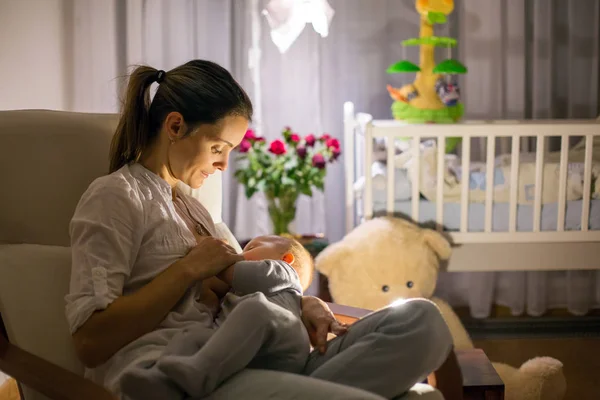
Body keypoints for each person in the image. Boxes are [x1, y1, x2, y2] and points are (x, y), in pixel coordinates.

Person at [65, 59, 454, 400]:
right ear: (175, 125)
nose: (223, 166)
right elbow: (89, 342)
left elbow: (252, 287)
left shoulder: (193, 208)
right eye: (218, 148)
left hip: (253, 358)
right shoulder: (116, 196)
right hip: (179, 372)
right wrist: (186, 270)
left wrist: (306, 303)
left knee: (423, 322)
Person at [119, 235, 315, 400]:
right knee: (193, 336)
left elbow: (231, 272)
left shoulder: (284, 272)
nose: (241, 253)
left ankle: (197, 374)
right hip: (249, 353)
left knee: (255, 307)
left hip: (282, 341)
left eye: (252, 247)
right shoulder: (238, 292)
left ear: (286, 259)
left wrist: (212, 257)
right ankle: (159, 379)